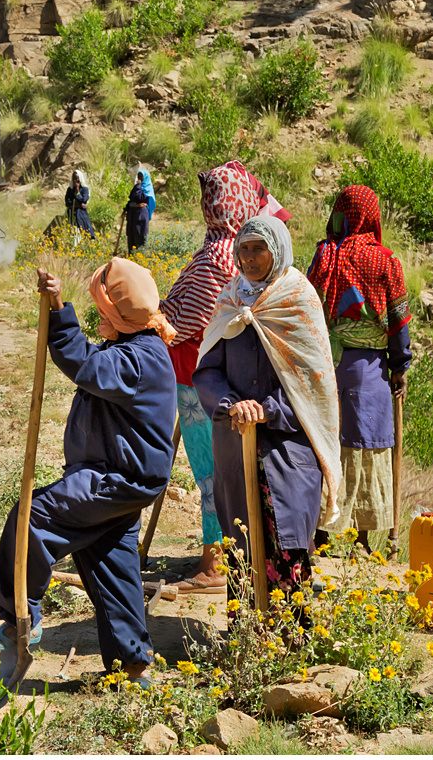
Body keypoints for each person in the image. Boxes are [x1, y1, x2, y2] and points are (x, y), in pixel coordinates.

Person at [0, 258, 178, 688]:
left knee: (32, 519)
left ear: (119, 313)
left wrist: (58, 309)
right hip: (123, 480)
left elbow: (83, 364)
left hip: (116, 479)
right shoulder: (138, 347)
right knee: (111, 562)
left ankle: (19, 622)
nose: (99, 316)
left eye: (103, 307)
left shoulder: (139, 359)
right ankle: (133, 666)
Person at [192, 216, 341, 605]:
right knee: (241, 545)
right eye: (244, 248)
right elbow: (207, 370)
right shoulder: (230, 300)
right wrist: (231, 404)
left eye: (259, 248)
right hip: (235, 438)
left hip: (287, 445)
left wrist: (268, 409)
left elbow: (314, 383)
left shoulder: (299, 300)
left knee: (288, 542)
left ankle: (289, 642)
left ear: (278, 251)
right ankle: (248, 641)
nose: (250, 257)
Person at [158, 163, 279, 592]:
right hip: (242, 382)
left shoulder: (215, 258)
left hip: (199, 381)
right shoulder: (255, 252)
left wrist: (159, 317)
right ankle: (237, 553)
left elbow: (188, 321)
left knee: (212, 473)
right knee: (235, 471)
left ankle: (216, 563)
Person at [307, 186, 412, 552]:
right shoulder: (386, 261)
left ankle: (319, 535)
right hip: (369, 371)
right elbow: (398, 321)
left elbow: (307, 309)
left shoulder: (325, 257)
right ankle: (365, 541)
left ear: (340, 215)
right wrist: (400, 367)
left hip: (325, 366)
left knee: (328, 446)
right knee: (367, 448)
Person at [124, 172, 151, 252]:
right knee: (131, 234)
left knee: (140, 233)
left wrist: (139, 186)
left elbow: (140, 198)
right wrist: (126, 208)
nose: (139, 179)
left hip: (141, 214)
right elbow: (132, 199)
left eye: (141, 177)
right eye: (138, 176)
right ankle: (131, 253)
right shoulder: (136, 187)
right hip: (132, 214)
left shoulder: (147, 189)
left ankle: (140, 254)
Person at [65, 170, 93, 234]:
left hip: (81, 214)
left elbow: (84, 200)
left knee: (84, 232)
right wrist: (80, 205)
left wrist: (77, 192)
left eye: (77, 178)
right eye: (74, 178)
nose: (75, 180)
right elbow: (67, 203)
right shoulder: (70, 190)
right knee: (72, 231)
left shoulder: (84, 189)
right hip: (71, 213)